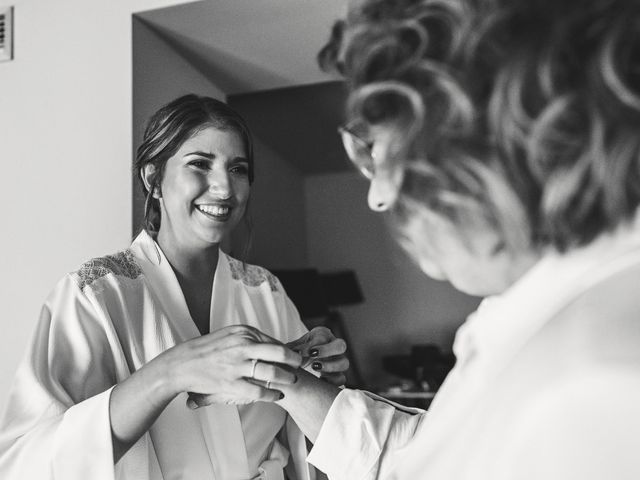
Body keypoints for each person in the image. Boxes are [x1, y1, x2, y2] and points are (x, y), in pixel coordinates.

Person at [268, 0, 640, 478]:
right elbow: (424, 458)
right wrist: (292, 384)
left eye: (382, 156)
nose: (378, 198)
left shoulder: (593, 388)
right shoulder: (525, 313)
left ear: (485, 140)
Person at [0, 94, 348, 480]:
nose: (223, 188)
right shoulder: (95, 296)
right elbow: (24, 463)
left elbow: (303, 444)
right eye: (200, 163)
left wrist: (316, 381)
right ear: (154, 177)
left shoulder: (266, 292)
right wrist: (170, 373)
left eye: (237, 168)